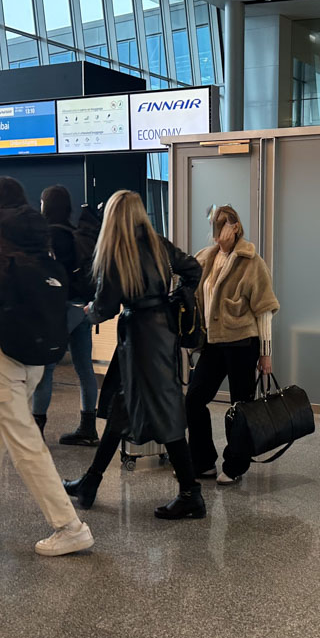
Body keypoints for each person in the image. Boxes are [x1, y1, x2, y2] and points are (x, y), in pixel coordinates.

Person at [0, 176, 94, 557]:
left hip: (1, 351)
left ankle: (69, 525)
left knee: (25, 443)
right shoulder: (39, 240)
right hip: (36, 354)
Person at [62, 190, 205, 520]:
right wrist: (175, 298)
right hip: (160, 333)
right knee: (123, 407)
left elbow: (106, 306)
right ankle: (91, 481)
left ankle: (191, 493)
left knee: (163, 407)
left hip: (140, 337)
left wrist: (90, 312)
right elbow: (193, 269)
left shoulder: (117, 253)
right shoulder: (157, 243)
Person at [186, 206, 279, 485]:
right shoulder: (206, 258)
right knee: (193, 400)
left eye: (222, 228)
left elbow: (263, 311)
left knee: (241, 407)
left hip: (242, 344)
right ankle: (202, 463)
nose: (217, 235)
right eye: (214, 229)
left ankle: (235, 465)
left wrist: (266, 354)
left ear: (235, 227)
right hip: (213, 344)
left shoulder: (252, 262)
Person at [30, 184, 99, 445]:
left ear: (46, 206)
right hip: (83, 309)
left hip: (59, 310)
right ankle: (88, 428)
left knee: (46, 369)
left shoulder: (48, 236)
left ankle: (36, 430)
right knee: (84, 369)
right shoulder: (77, 233)